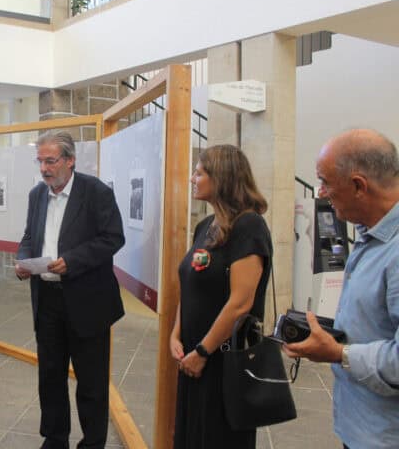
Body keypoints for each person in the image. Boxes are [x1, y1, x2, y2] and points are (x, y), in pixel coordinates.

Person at [284, 129, 399, 449]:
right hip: (361, 426)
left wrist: (338, 353)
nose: (321, 192)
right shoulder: (371, 235)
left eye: (325, 182)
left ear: (359, 185)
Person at [15, 130, 125, 449]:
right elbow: (29, 237)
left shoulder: (96, 192)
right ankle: (55, 437)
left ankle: (92, 442)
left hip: (87, 300)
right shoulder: (38, 194)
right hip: (47, 300)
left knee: (91, 380)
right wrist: (24, 260)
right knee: (50, 375)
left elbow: (112, 238)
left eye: (51, 161)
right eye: (40, 161)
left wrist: (72, 261)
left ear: (70, 160)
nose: (44, 168)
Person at [170, 144, 272, 449]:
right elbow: (189, 284)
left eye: (199, 173)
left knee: (218, 437)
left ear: (222, 178)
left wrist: (203, 352)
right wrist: (176, 334)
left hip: (222, 358)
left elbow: (241, 302)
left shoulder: (249, 227)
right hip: (193, 354)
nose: (192, 179)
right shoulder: (206, 226)